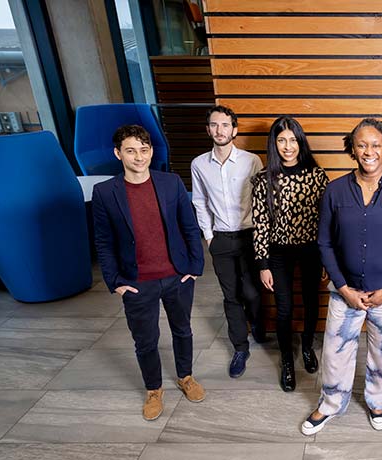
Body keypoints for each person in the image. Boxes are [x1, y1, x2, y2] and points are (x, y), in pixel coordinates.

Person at [301, 118, 382, 435]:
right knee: (335, 352)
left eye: (376, 145)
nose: (369, 151)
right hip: (345, 289)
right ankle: (330, 405)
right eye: (361, 145)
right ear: (352, 149)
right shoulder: (335, 190)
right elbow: (324, 242)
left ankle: (378, 402)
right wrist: (342, 287)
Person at [92, 124, 205, 421]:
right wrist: (115, 281)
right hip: (136, 282)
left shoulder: (171, 183)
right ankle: (153, 389)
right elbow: (103, 241)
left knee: (183, 330)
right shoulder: (105, 192)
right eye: (131, 151)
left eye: (144, 150)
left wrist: (194, 268)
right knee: (145, 340)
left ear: (151, 151)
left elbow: (189, 227)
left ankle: (185, 377)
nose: (139, 157)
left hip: (177, 276)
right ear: (118, 154)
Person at [251, 116, 329, 391]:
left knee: (311, 302)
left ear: (300, 142)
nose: (287, 146)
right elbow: (260, 223)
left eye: (293, 140)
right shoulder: (264, 179)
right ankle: (286, 360)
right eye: (281, 140)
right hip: (279, 252)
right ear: (274, 143)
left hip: (310, 249)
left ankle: (307, 347)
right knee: (283, 309)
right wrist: (263, 263)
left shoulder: (316, 175)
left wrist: (326, 259)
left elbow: (326, 220)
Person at [190, 105, 264, 379]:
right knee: (231, 296)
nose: (219, 130)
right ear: (208, 129)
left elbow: (261, 199)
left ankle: (256, 324)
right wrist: (208, 236)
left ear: (234, 129)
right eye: (214, 124)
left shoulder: (251, 160)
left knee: (253, 292)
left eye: (224, 125)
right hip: (220, 238)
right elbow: (199, 202)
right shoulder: (199, 164)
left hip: (249, 236)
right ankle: (240, 348)